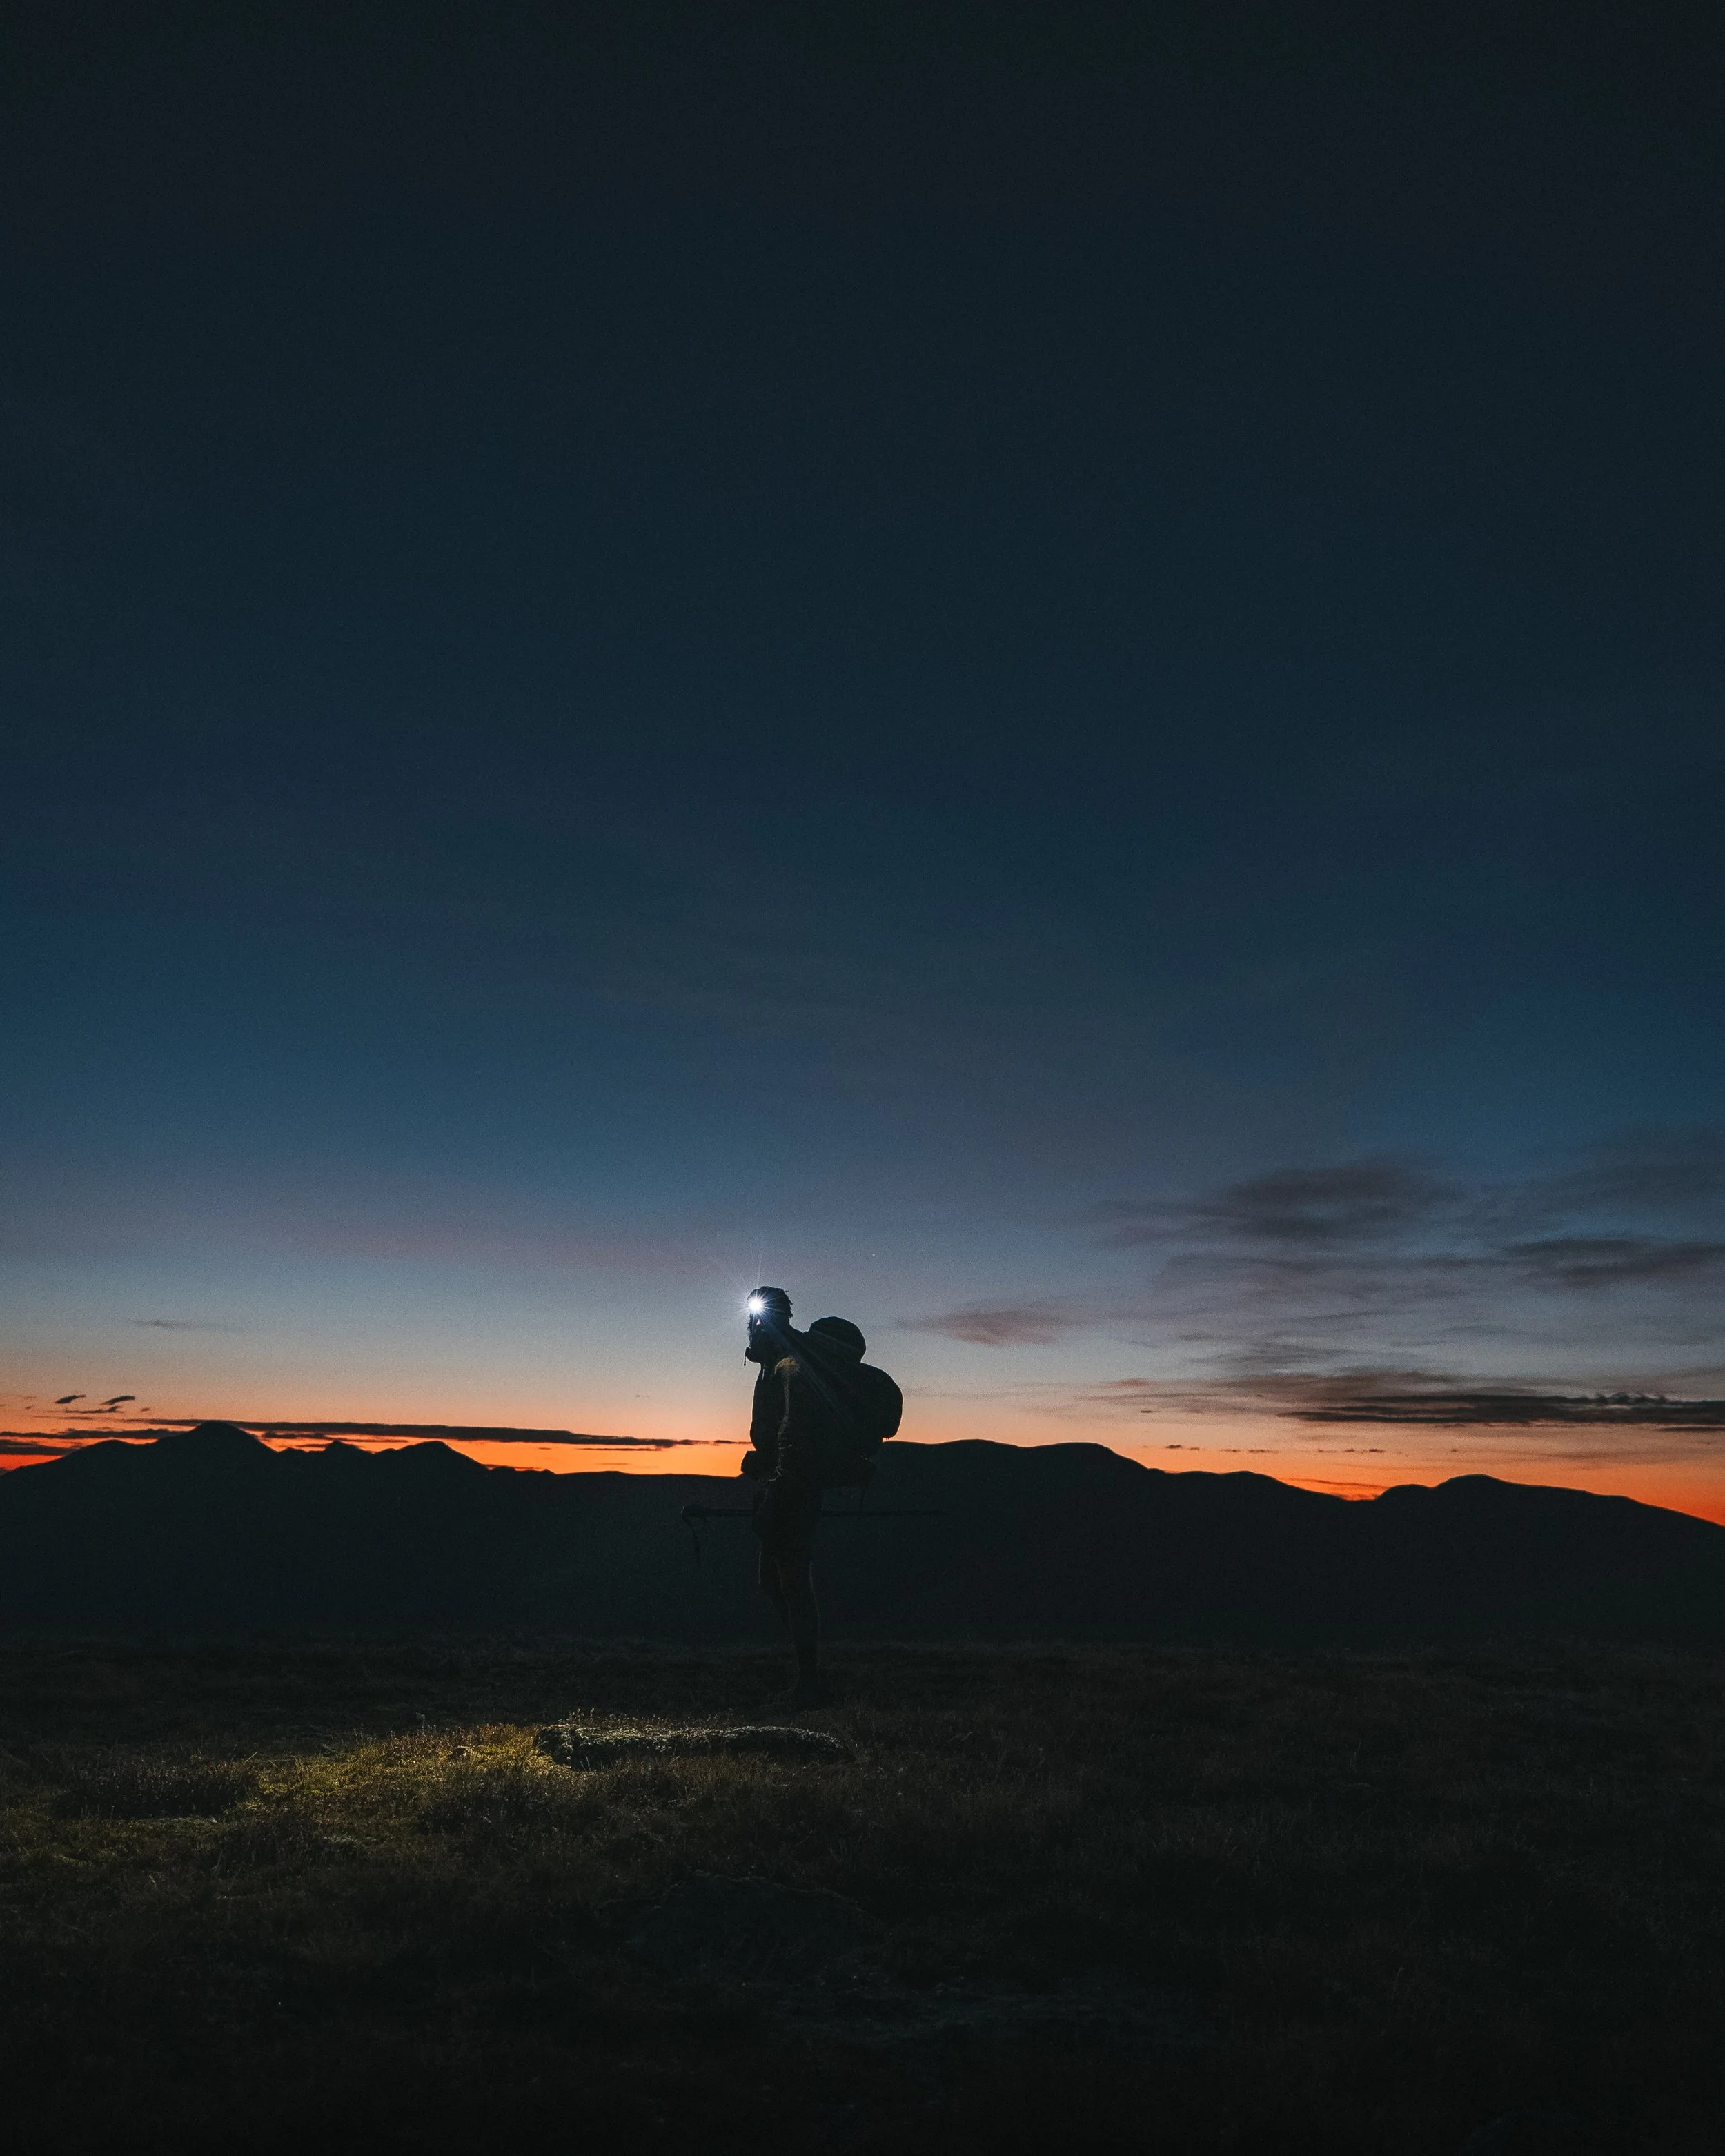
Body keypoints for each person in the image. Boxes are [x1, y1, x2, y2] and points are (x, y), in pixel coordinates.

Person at [739, 1286, 903, 1706]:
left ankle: (811, 1682)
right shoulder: (786, 1360)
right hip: (790, 1479)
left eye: (754, 1321)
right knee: (776, 1581)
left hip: (795, 1484)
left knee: (790, 1580)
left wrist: (779, 1485)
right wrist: (766, 1466)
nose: (749, 1332)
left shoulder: (792, 1365)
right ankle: (810, 1672)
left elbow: (796, 1435)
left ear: (764, 1321)